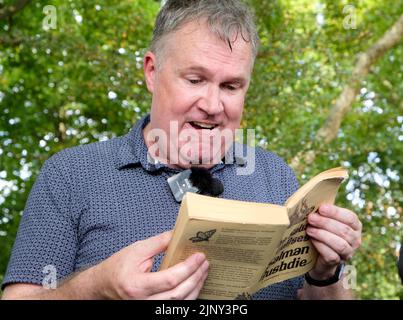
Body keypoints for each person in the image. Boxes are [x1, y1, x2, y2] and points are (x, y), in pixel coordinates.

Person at [1, 0, 362, 300]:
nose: (212, 104)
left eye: (231, 86)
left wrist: (325, 273)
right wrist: (98, 287)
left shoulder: (275, 175)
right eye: (195, 80)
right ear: (152, 72)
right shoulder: (71, 173)